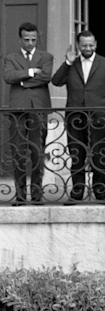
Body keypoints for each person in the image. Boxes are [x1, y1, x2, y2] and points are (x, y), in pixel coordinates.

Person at [52, 31, 105, 202]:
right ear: (78, 45)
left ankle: (100, 191)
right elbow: (56, 81)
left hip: (98, 116)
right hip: (75, 116)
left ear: (95, 44)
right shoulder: (72, 64)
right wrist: (67, 62)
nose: (88, 48)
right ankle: (77, 192)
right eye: (84, 45)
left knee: (100, 152)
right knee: (77, 153)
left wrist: (102, 107)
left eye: (90, 45)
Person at [2, 23, 53, 204]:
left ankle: (37, 194)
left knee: (37, 152)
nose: (30, 43)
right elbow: (8, 77)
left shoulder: (46, 56)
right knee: (18, 152)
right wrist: (31, 72)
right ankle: (20, 195)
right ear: (20, 39)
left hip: (39, 108)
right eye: (26, 40)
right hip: (18, 110)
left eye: (33, 39)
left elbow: (46, 76)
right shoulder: (10, 57)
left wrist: (22, 81)